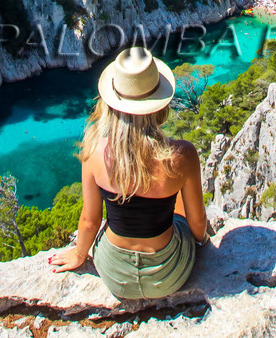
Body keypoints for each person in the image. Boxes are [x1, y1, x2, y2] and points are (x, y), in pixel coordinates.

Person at [48, 45, 209, 299]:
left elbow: (90, 221)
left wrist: (79, 255)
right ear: (160, 105)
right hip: (168, 275)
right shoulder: (182, 156)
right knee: (178, 205)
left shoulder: (92, 152)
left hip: (115, 274)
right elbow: (197, 222)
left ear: (112, 103)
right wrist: (202, 242)